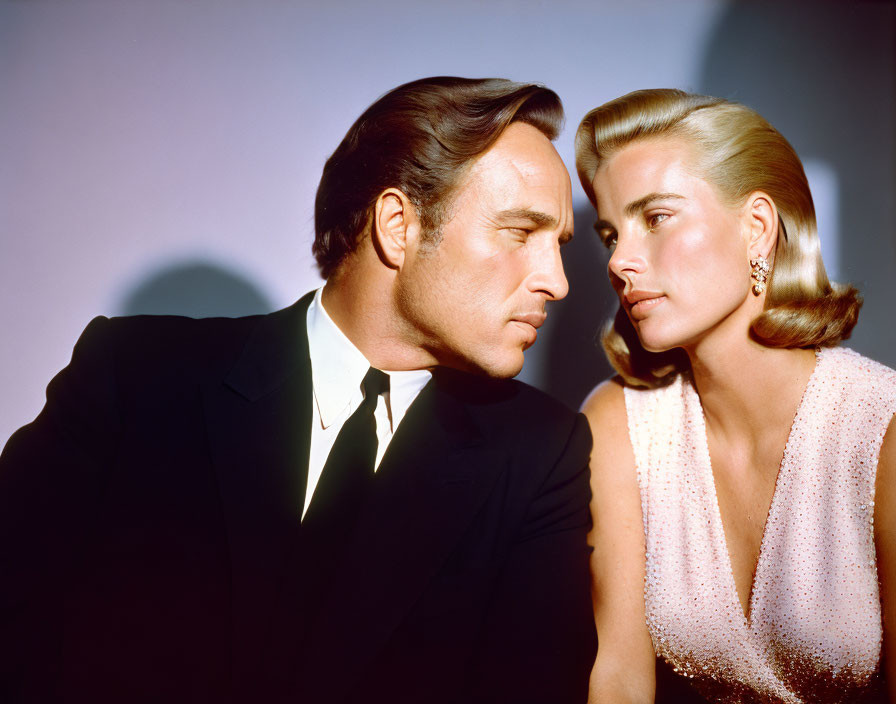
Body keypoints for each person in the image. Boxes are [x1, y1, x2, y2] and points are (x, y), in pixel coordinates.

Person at [0, 76, 597, 704]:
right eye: (520, 231)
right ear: (398, 225)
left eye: (556, 246)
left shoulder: (541, 454)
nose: (556, 282)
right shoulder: (136, 372)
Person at [575, 88, 896, 703]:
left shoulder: (880, 432)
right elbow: (617, 680)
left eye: (656, 218)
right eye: (611, 234)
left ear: (757, 229)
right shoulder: (619, 425)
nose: (620, 262)